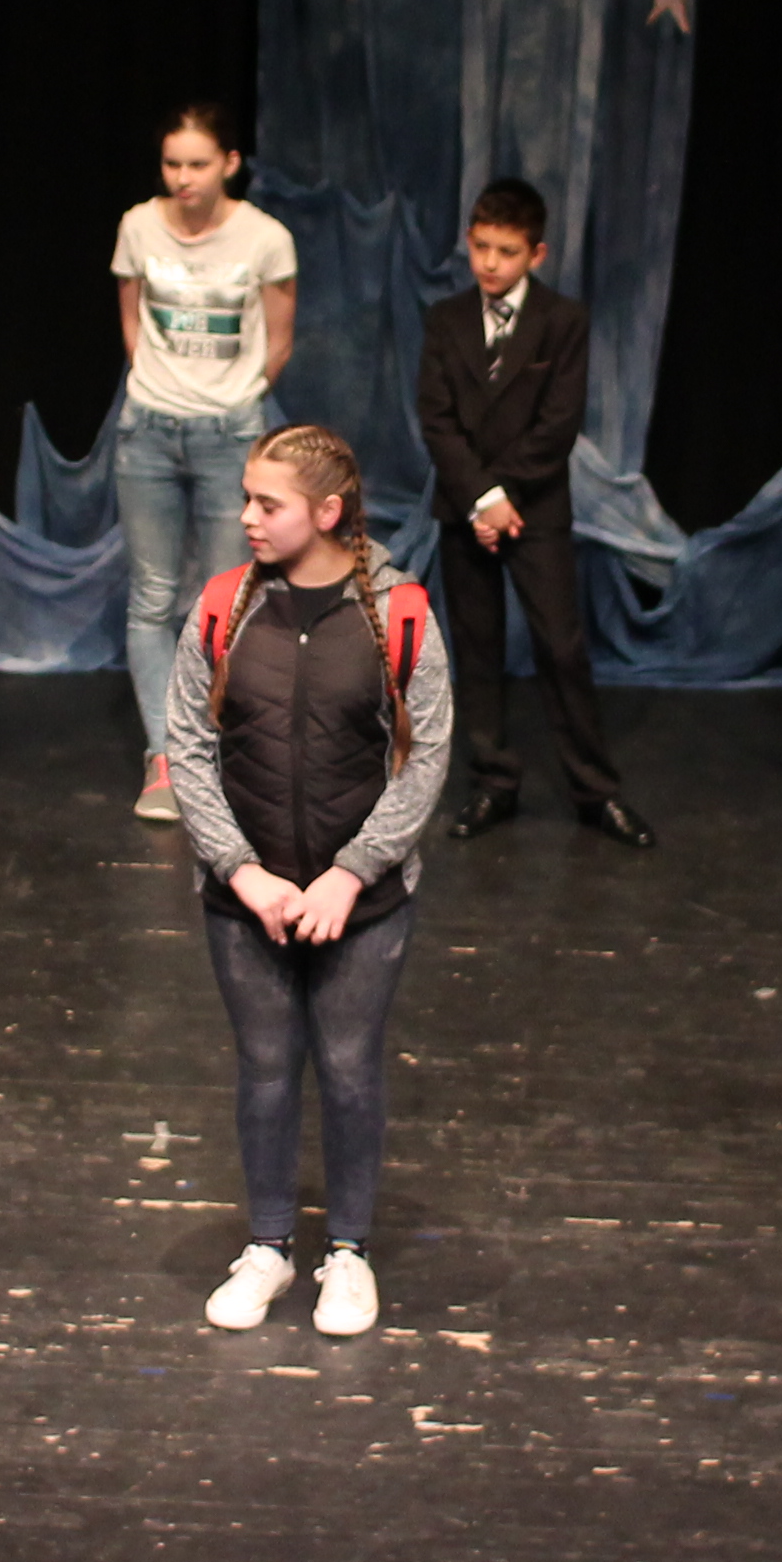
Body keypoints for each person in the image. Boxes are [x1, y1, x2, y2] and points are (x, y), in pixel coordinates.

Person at [168, 425, 452, 1339]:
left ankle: (350, 1253)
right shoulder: (223, 606)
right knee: (264, 1070)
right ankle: (268, 1246)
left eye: (268, 503)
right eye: (245, 499)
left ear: (327, 512)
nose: (246, 517)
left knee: (348, 1070)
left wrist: (350, 874)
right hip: (244, 898)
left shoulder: (398, 613)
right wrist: (241, 870)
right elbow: (187, 748)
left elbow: (426, 757)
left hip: (360, 903)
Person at [417, 179, 648, 849]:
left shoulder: (562, 320)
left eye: (507, 251)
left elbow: (558, 423)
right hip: (466, 509)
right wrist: (480, 498)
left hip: (533, 508)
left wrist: (505, 496)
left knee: (561, 647)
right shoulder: (446, 320)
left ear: (536, 254)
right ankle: (493, 779)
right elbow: (436, 419)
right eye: (481, 247)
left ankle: (594, 790)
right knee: (477, 647)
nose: (490, 263)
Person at [113, 103, 297, 822]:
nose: (183, 178)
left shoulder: (265, 238)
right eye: (172, 164)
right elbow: (132, 321)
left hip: (229, 433)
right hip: (149, 430)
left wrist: (234, 401)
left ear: (230, 163)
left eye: (197, 164)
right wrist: (160, 387)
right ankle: (164, 757)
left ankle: (211, 752)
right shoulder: (138, 226)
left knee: (226, 602)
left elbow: (278, 341)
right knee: (153, 598)